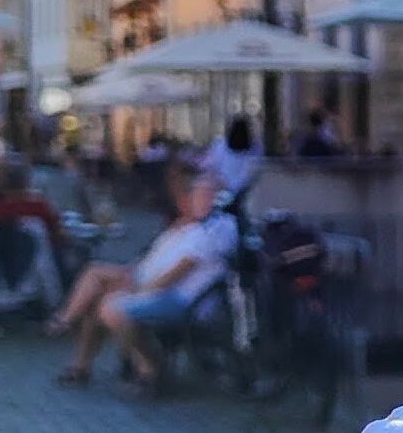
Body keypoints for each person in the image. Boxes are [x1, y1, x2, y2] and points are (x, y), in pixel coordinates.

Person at [53, 161, 228, 390]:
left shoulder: (207, 233)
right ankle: (81, 361)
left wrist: (138, 290)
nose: (190, 201)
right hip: (147, 282)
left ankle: (148, 367)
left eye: (203, 197)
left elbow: (175, 274)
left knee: (106, 304)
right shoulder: (181, 228)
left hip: (172, 295)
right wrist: (135, 276)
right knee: (96, 280)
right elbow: (153, 260)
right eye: (195, 196)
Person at [205, 114, 262, 202]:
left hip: (231, 191)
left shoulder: (219, 144)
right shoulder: (255, 148)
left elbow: (213, 167)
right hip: (234, 192)